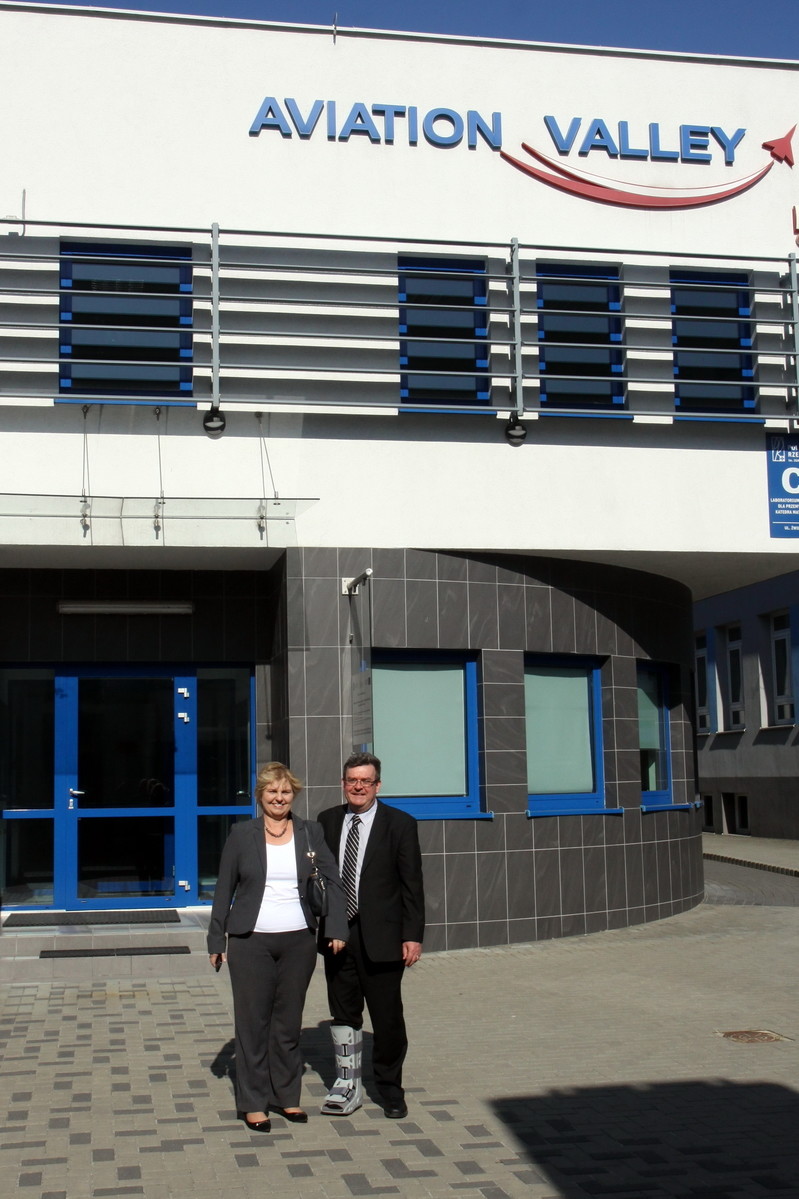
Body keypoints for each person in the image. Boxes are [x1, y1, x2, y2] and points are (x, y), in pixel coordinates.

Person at [208, 762, 348, 1132]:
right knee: (253, 1024)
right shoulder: (242, 834)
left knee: (287, 1024)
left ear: (293, 795)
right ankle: (254, 1102)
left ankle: (286, 1096)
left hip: (298, 941)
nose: (279, 798)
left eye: (285, 792)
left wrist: (336, 928)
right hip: (250, 941)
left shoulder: (310, 832)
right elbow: (224, 888)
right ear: (261, 796)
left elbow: (332, 881)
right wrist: (216, 938)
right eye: (272, 791)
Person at [318, 751, 425, 1120]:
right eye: (352, 780)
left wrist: (412, 935)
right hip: (337, 935)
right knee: (343, 1013)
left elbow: (412, 885)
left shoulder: (400, 824)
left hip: (383, 938)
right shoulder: (327, 820)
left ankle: (390, 1089)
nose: (358, 786)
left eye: (366, 781)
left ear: (378, 785)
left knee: (387, 1019)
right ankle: (348, 1084)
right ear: (343, 783)